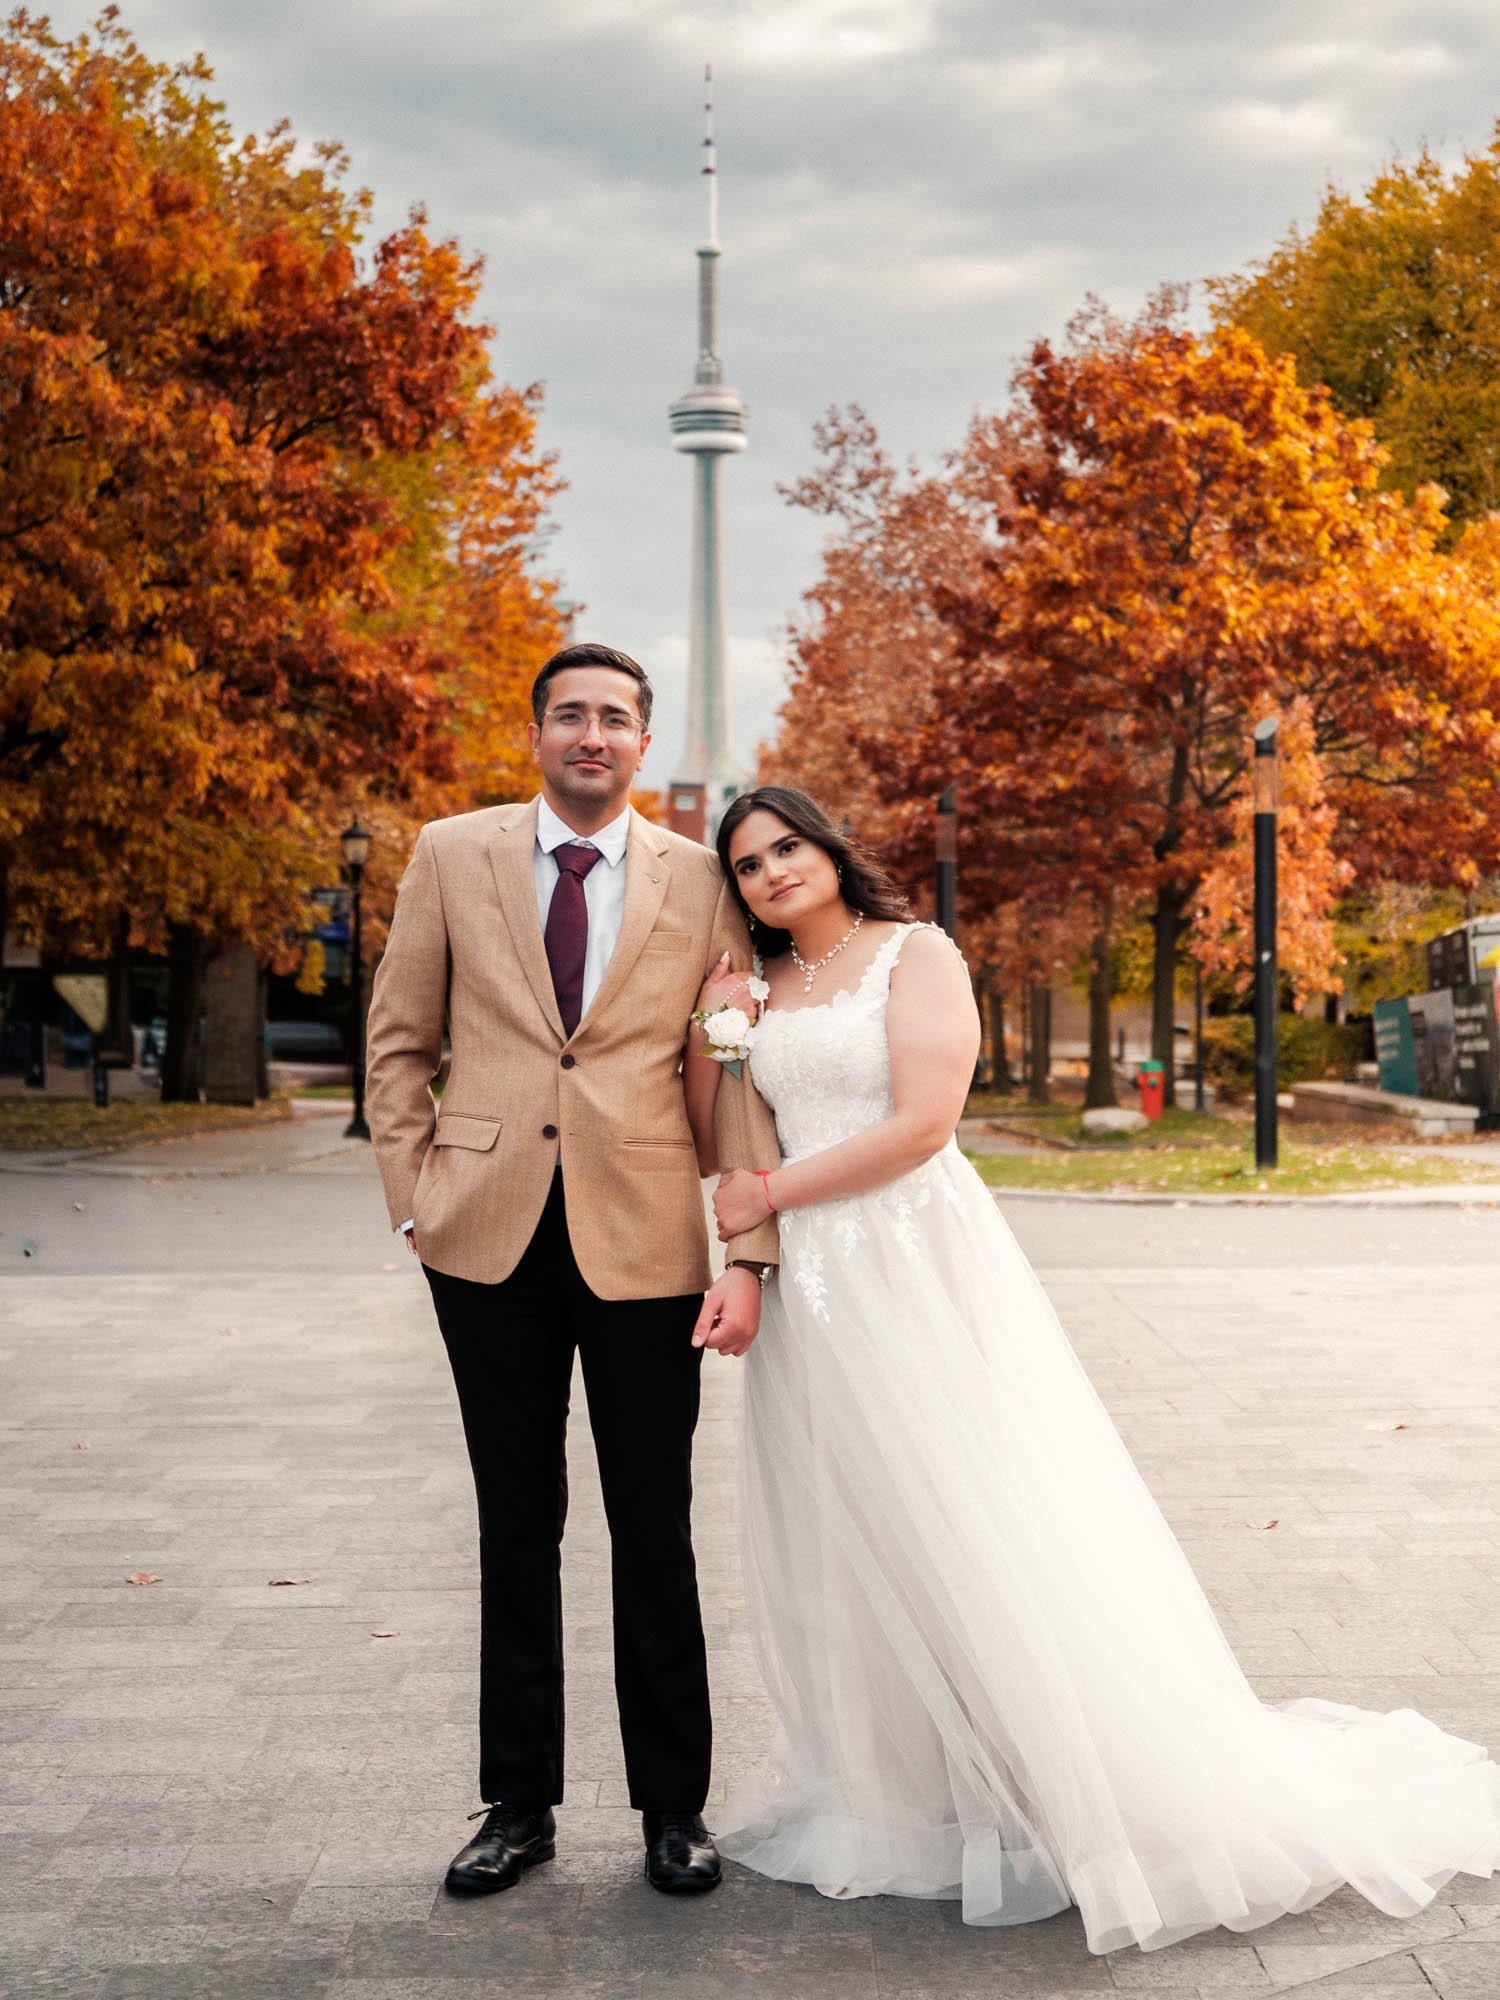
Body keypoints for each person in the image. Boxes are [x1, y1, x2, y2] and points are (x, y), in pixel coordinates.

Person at [684, 783, 1500, 1955]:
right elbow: (722, 1128)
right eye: (749, 863)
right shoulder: (757, 988)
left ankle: (1061, 1779)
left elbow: (925, 1123)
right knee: (854, 1534)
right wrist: (721, 1033)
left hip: (911, 1261)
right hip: (814, 1289)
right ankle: (915, 1788)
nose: (770, 873)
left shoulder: (915, 954)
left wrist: (769, 1195)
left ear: (828, 848)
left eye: (787, 847)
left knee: (972, 1515)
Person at [364, 643, 778, 1901]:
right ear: (535, 731)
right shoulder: (452, 852)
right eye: (570, 715)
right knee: (515, 1517)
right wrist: (416, 1201)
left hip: (646, 1234)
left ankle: (673, 1808)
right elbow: (397, 1042)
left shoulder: (705, 878)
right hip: (483, 1234)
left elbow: (734, 1064)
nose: (591, 734)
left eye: (614, 718)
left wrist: (746, 1246)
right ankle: (519, 1802)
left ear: (643, 742)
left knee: (654, 1521)